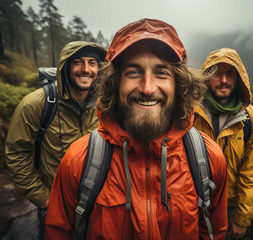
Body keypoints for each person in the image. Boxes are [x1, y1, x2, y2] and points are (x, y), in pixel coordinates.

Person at [45, 18, 228, 240]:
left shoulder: (208, 159)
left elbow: (214, 232)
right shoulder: (79, 160)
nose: (148, 88)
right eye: (133, 72)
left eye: (162, 72)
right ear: (115, 83)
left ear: (180, 85)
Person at [5, 41, 107, 239]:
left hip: (98, 207)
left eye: (92, 63)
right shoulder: (36, 104)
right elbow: (17, 155)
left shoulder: (107, 105)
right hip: (55, 207)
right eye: (78, 62)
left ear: (99, 68)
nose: (86, 69)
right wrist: (44, 200)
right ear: (65, 66)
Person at [193, 48, 253, 239]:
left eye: (230, 73)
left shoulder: (252, 119)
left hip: (229, 208)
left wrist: (242, 218)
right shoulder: (190, 112)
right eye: (216, 73)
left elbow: (252, 173)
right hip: (191, 203)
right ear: (207, 77)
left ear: (239, 77)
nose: (223, 79)